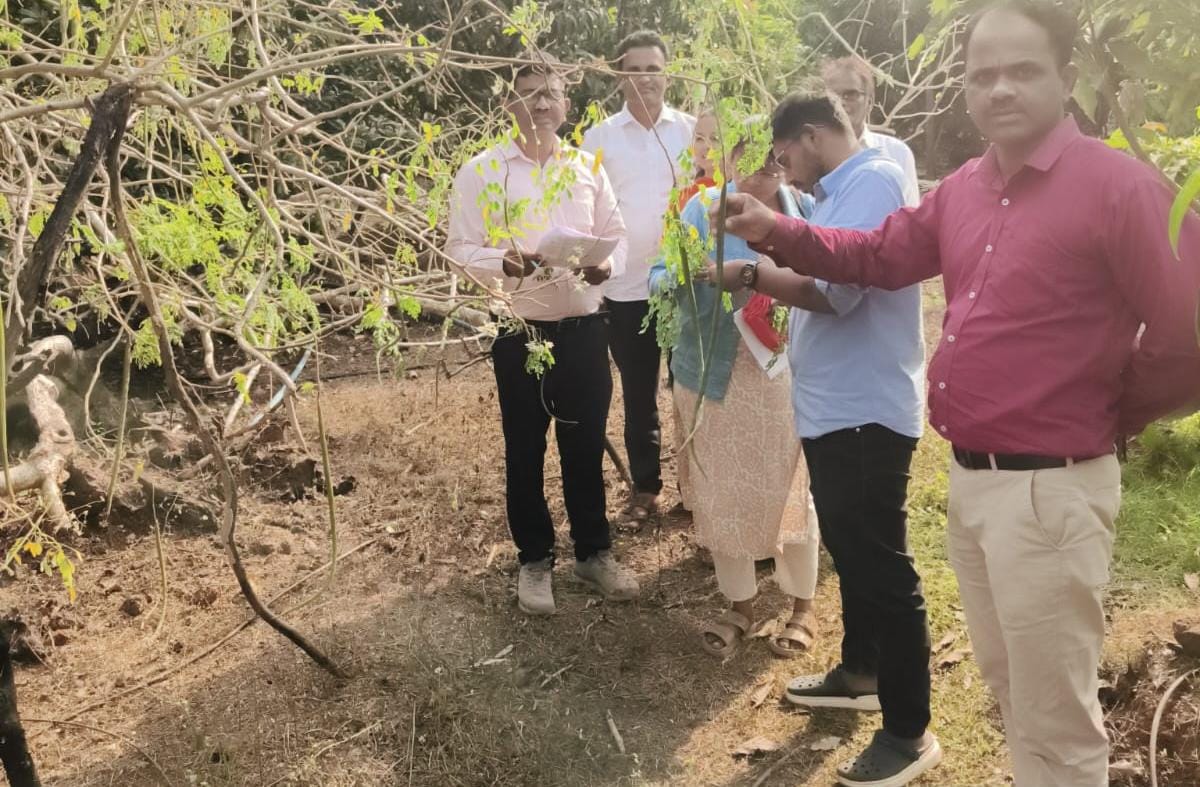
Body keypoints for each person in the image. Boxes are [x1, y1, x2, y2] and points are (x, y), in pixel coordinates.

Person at [719, 3, 1200, 785]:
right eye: (983, 75)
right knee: (1013, 690)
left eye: (1023, 70)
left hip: (1052, 488)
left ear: (1066, 78)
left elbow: (1190, 332)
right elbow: (876, 254)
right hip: (974, 484)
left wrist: (1115, 409)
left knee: (1057, 717)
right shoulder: (968, 189)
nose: (1000, 88)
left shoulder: (1118, 186)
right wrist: (774, 228)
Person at [715, 93, 936, 786]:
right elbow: (822, 267)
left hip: (865, 408)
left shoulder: (872, 180)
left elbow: (838, 290)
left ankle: (908, 731)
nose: (784, 171)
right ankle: (861, 671)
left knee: (881, 566)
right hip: (838, 407)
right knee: (855, 550)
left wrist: (751, 269)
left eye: (784, 156)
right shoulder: (840, 190)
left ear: (811, 136)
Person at [445, 59, 639, 616]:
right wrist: (503, 263)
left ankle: (593, 553)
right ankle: (534, 560)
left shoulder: (586, 167)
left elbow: (617, 236)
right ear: (507, 104)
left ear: (566, 105)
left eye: (551, 94)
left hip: (584, 330)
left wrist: (605, 266)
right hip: (520, 333)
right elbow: (459, 250)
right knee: (525, 449)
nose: (541, 104)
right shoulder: (482, 172)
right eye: (528, 94)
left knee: (585, 446)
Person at [649, 130, 820, 659]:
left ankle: (802, 605)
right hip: (715, 376)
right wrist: (692, 277)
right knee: (722, 491)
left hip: (785, 376)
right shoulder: (699, 211)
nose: (768, 159)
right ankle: (740, 605)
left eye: (776, 147)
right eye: (750, 146)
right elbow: (658, 279)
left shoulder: (805, 209)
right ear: (727, 155)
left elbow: (832, 283)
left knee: (792, 490)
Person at [582, 30, 696, 525]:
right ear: (619, 76)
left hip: (690, 284)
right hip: (626, 287)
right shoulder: (599, 140)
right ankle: (646, 488)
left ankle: (698, 489)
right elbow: (586, 208)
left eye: (654, 69)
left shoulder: (692, 131)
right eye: (635, 70)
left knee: (693, 387)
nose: (645, 78)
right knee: (638, 393)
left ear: (667, 74)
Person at [822, 56, 921, 207]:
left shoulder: (896, 153)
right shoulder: (812, 156)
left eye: (851, 95)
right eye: (832, 96)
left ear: (870, 101)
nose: (840, 102)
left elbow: (911, 214)